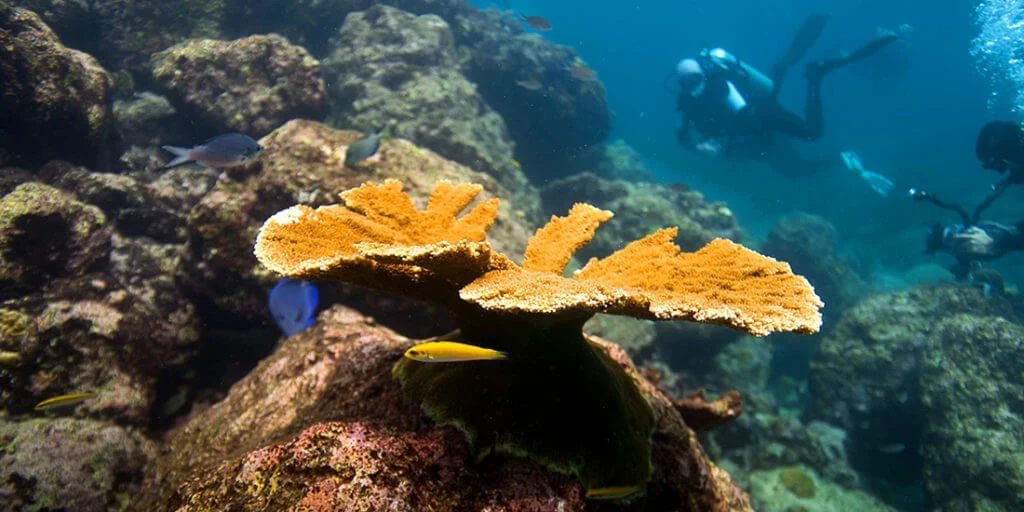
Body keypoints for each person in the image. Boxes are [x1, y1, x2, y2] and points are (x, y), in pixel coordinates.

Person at [674, 13, 898, 182]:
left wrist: (723, 145)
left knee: (812, 133)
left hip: (762, 113)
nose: (691, 86)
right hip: (755, 124)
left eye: (694, 79)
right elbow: (682, 136)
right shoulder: (687, 102)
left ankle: (815, 75)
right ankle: (839, 158)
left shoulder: (720, 86)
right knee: (795, 170)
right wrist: (699, 147)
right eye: (685, 83)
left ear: (704, 75)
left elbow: (746, 115)